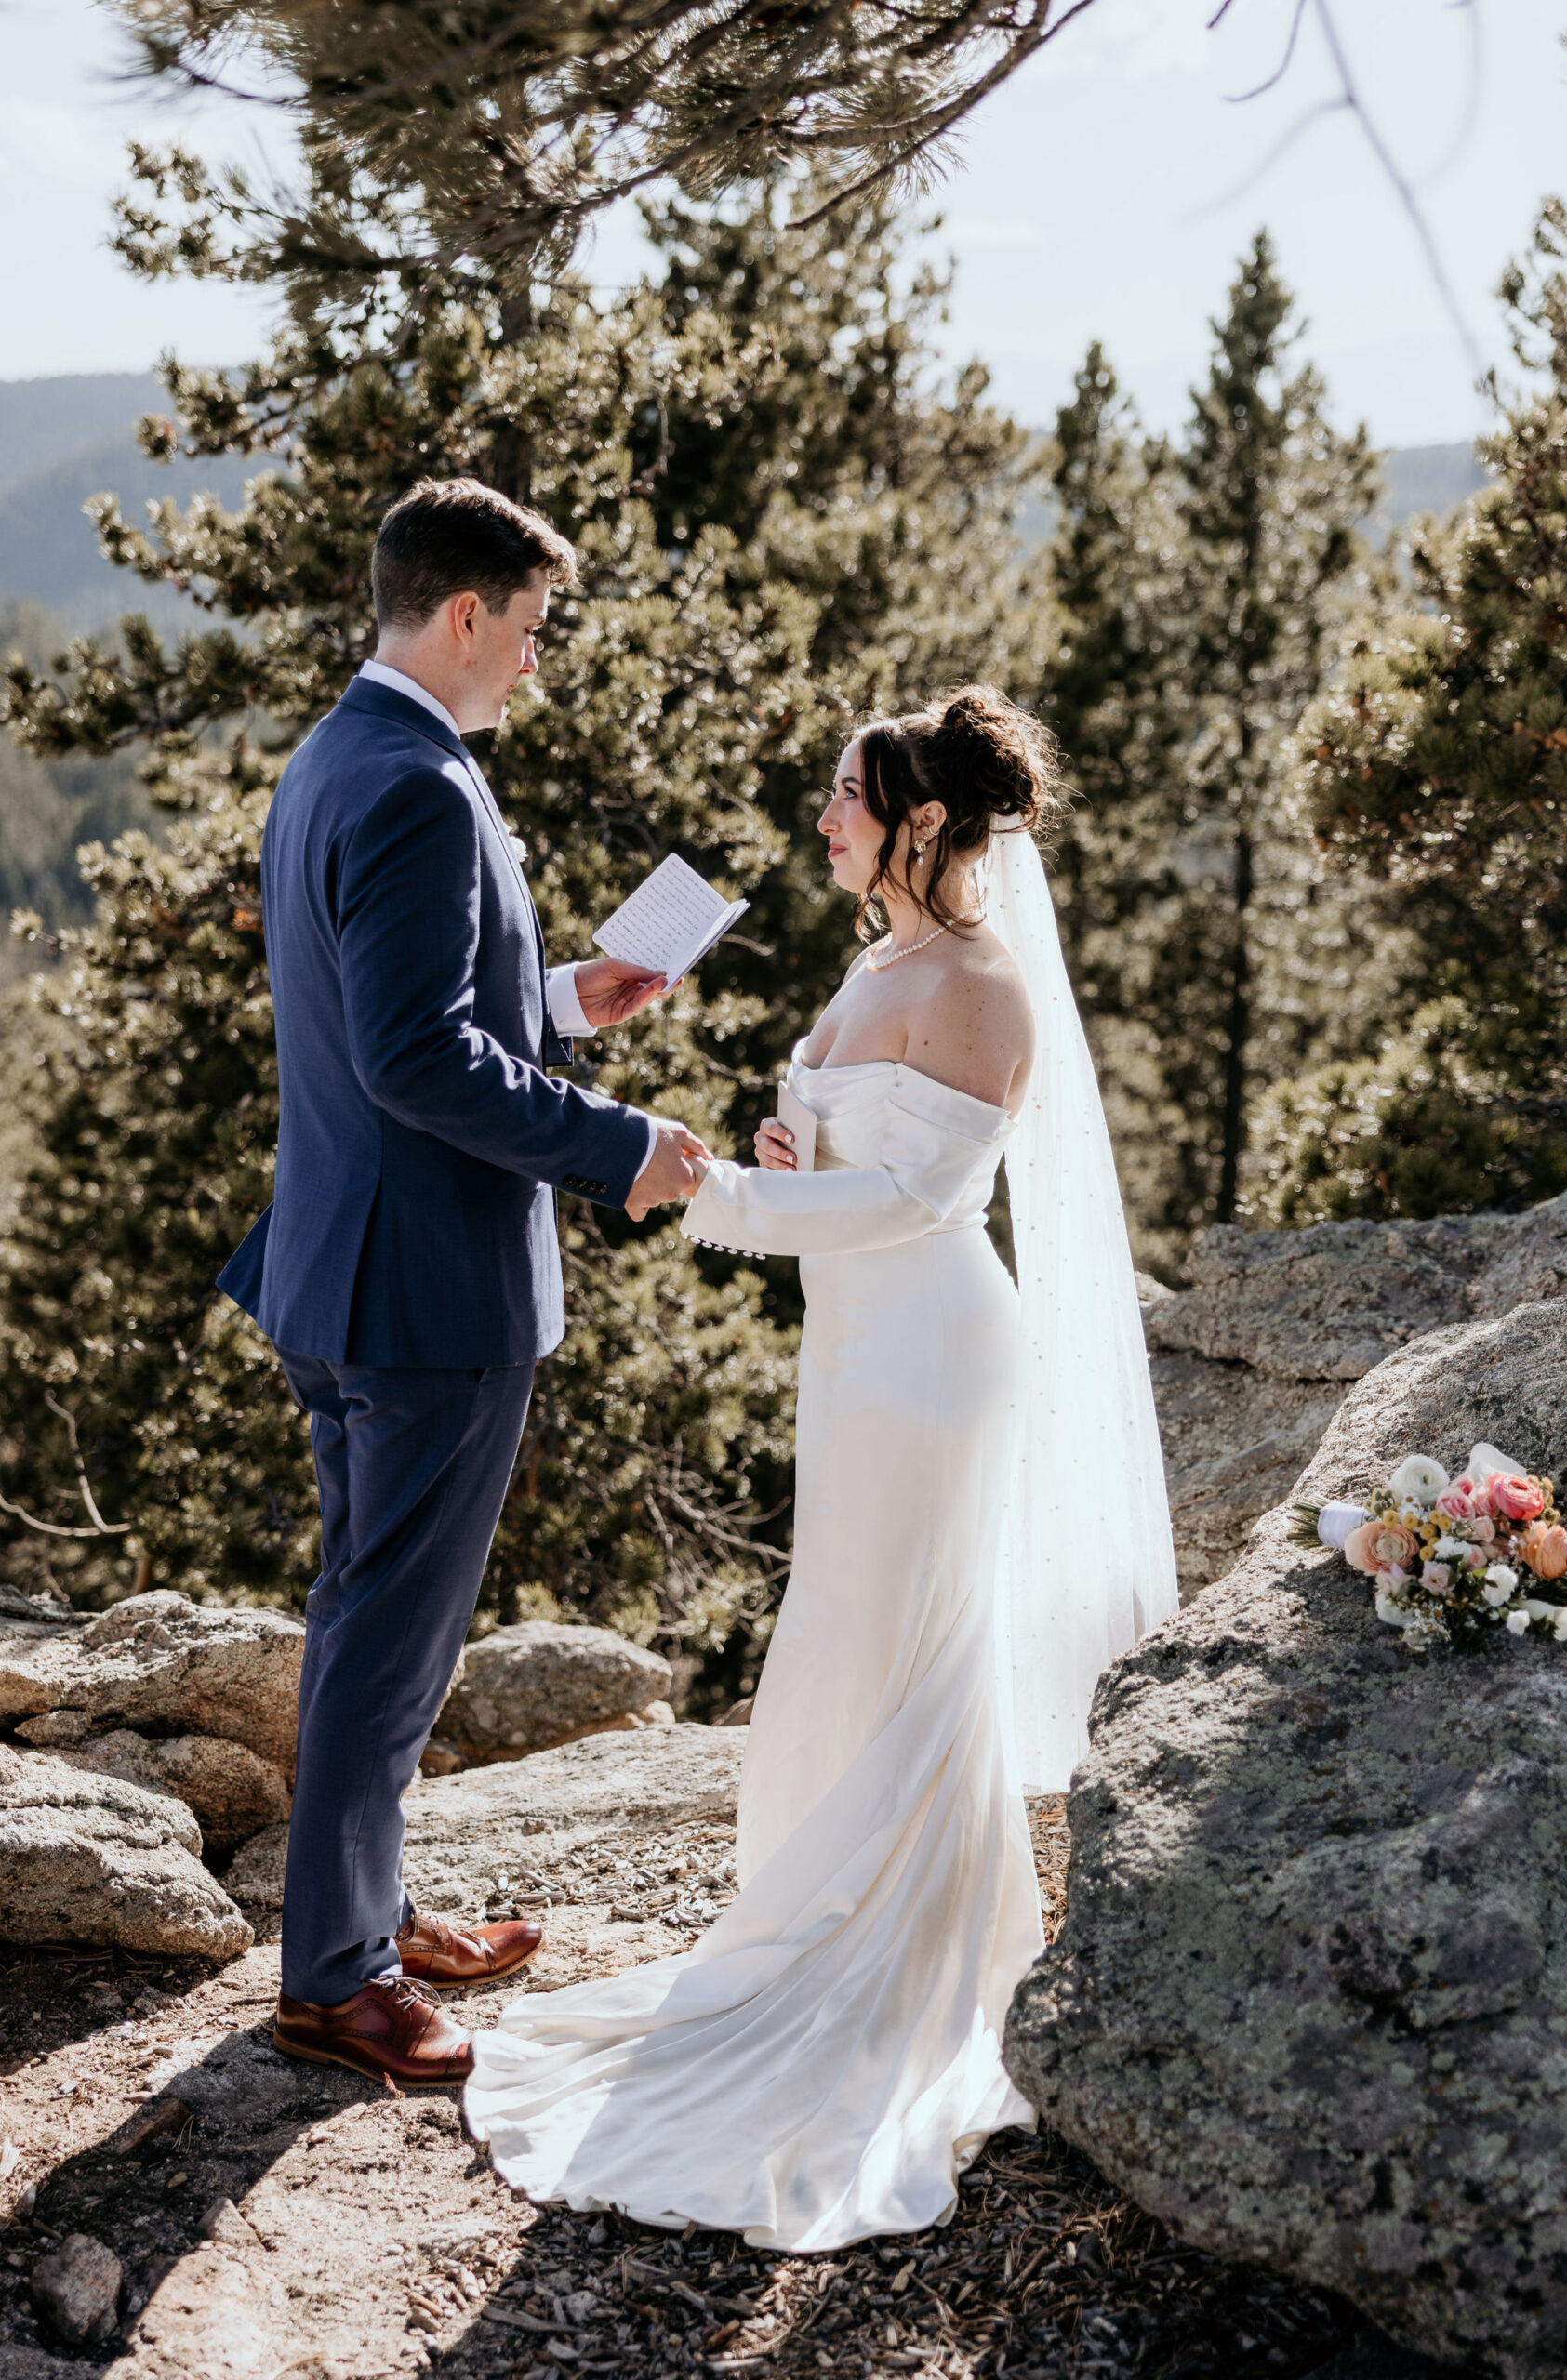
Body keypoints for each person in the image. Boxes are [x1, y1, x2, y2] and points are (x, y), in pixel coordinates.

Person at [463, 686, 1177, 2247]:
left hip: (930, 1359)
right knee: (844, 1637)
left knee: (906, 1646)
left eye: (848, 797)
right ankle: (817, 1925)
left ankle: (896, 1965)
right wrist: (788, 1165)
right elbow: (853, 1173)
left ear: (922, 818)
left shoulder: (983, 983)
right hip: (851, 1358)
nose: (826, 820)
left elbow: (922, 1206)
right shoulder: (881, 959)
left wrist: (719, 1192)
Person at [217, 477, 710, 2091]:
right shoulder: (422, 783)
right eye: (534, 630)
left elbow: (411, 1005)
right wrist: (615, 1142)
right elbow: (416, 1054)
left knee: (375, 1617)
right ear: (468, 613)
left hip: (342, 1265)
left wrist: (565, 996)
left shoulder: (339, 757)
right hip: (423, 1289)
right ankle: (335, 1978)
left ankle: (368, 1908)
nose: (534, 663)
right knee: (390, 1632)